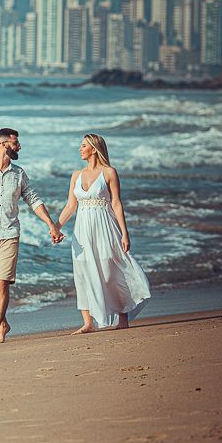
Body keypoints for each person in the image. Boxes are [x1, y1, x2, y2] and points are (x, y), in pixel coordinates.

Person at [0, 128, 64, 344]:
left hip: (9, 234)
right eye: (16, 143)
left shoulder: (19, 173)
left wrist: (52, 225)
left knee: (2, 284)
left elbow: (33, 200)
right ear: (2, 144)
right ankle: (4, 321)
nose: (19, 147)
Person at [56, 133, 151, 334]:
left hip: (105, 227)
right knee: (82, 271)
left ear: (94, 148)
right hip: (82, 230)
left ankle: (123, 316)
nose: (80, 149)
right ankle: (88, 322)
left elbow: (116, 203)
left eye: (83, 146)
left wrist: (125, 233)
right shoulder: (76, 175)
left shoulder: (109, 172)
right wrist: (56, 226)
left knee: (111, 270)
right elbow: (70, 205)